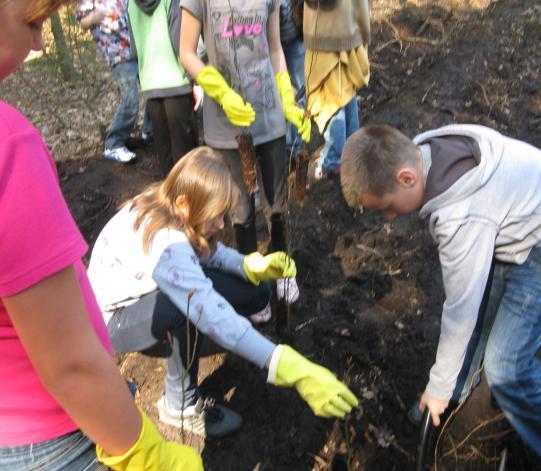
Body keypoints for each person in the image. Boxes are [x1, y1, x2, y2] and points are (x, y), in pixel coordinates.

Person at [0, 0, 203, 470]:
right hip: (55, 434)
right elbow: (68, 364)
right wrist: (143, 451)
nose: (37, 42)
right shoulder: (10, 145)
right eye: (33, 23)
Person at [340, 123, 541, 469]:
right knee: (482, 320)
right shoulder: (426, 150)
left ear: (406, 178)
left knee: (507, 367)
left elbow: (460, 313)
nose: (388, 217)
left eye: (385, 207)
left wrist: (437, 387)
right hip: (522, 217)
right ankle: (453, 397)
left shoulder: (460, 218)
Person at [87, 146, 358, 436]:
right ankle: (180, 404)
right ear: (184, 203)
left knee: (254, 292)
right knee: (187, 308)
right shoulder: (166, 245)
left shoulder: (173, 203)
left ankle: (199, 342)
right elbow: (212, 315)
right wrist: (289, 366)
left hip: (149, 288)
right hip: (113, 318)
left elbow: (208, 253)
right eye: (215, 216)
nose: (220, 224)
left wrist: (250, 266)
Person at [178, 0, 312, 303]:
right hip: (226, 125)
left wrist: (287, 97)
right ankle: (251, 283)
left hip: (269, 117)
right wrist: (220, 91)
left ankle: (282, 270)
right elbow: (186, 52)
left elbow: (275, 49)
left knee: (277, 204)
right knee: (241, 211)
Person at [128, 0, 199, 178]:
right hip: (177, 82)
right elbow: (179, 43)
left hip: (150, 84)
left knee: (165, 151)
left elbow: (134, 50)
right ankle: (191, 198)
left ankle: (172, 199)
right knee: (186, 151)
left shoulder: (130, 4)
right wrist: (194, 77)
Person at [302, 0, 370, 179]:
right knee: (345, 94)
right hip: (349, 28)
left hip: (327, 36)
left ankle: (332, 161)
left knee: (330, 101)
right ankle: (352, 154)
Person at [77, 0, 142, 163]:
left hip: (138, 48)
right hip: (118, 54)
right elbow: (83, 23)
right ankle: (113, 144)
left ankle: (149, 131)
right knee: (130, 100)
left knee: (152, 89)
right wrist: (94, 18)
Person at [280, 0, 305, 161]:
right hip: (269, 40)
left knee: (298, 93)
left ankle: (294, 146)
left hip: (296, 37)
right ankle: (282, 143)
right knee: (279, 94)